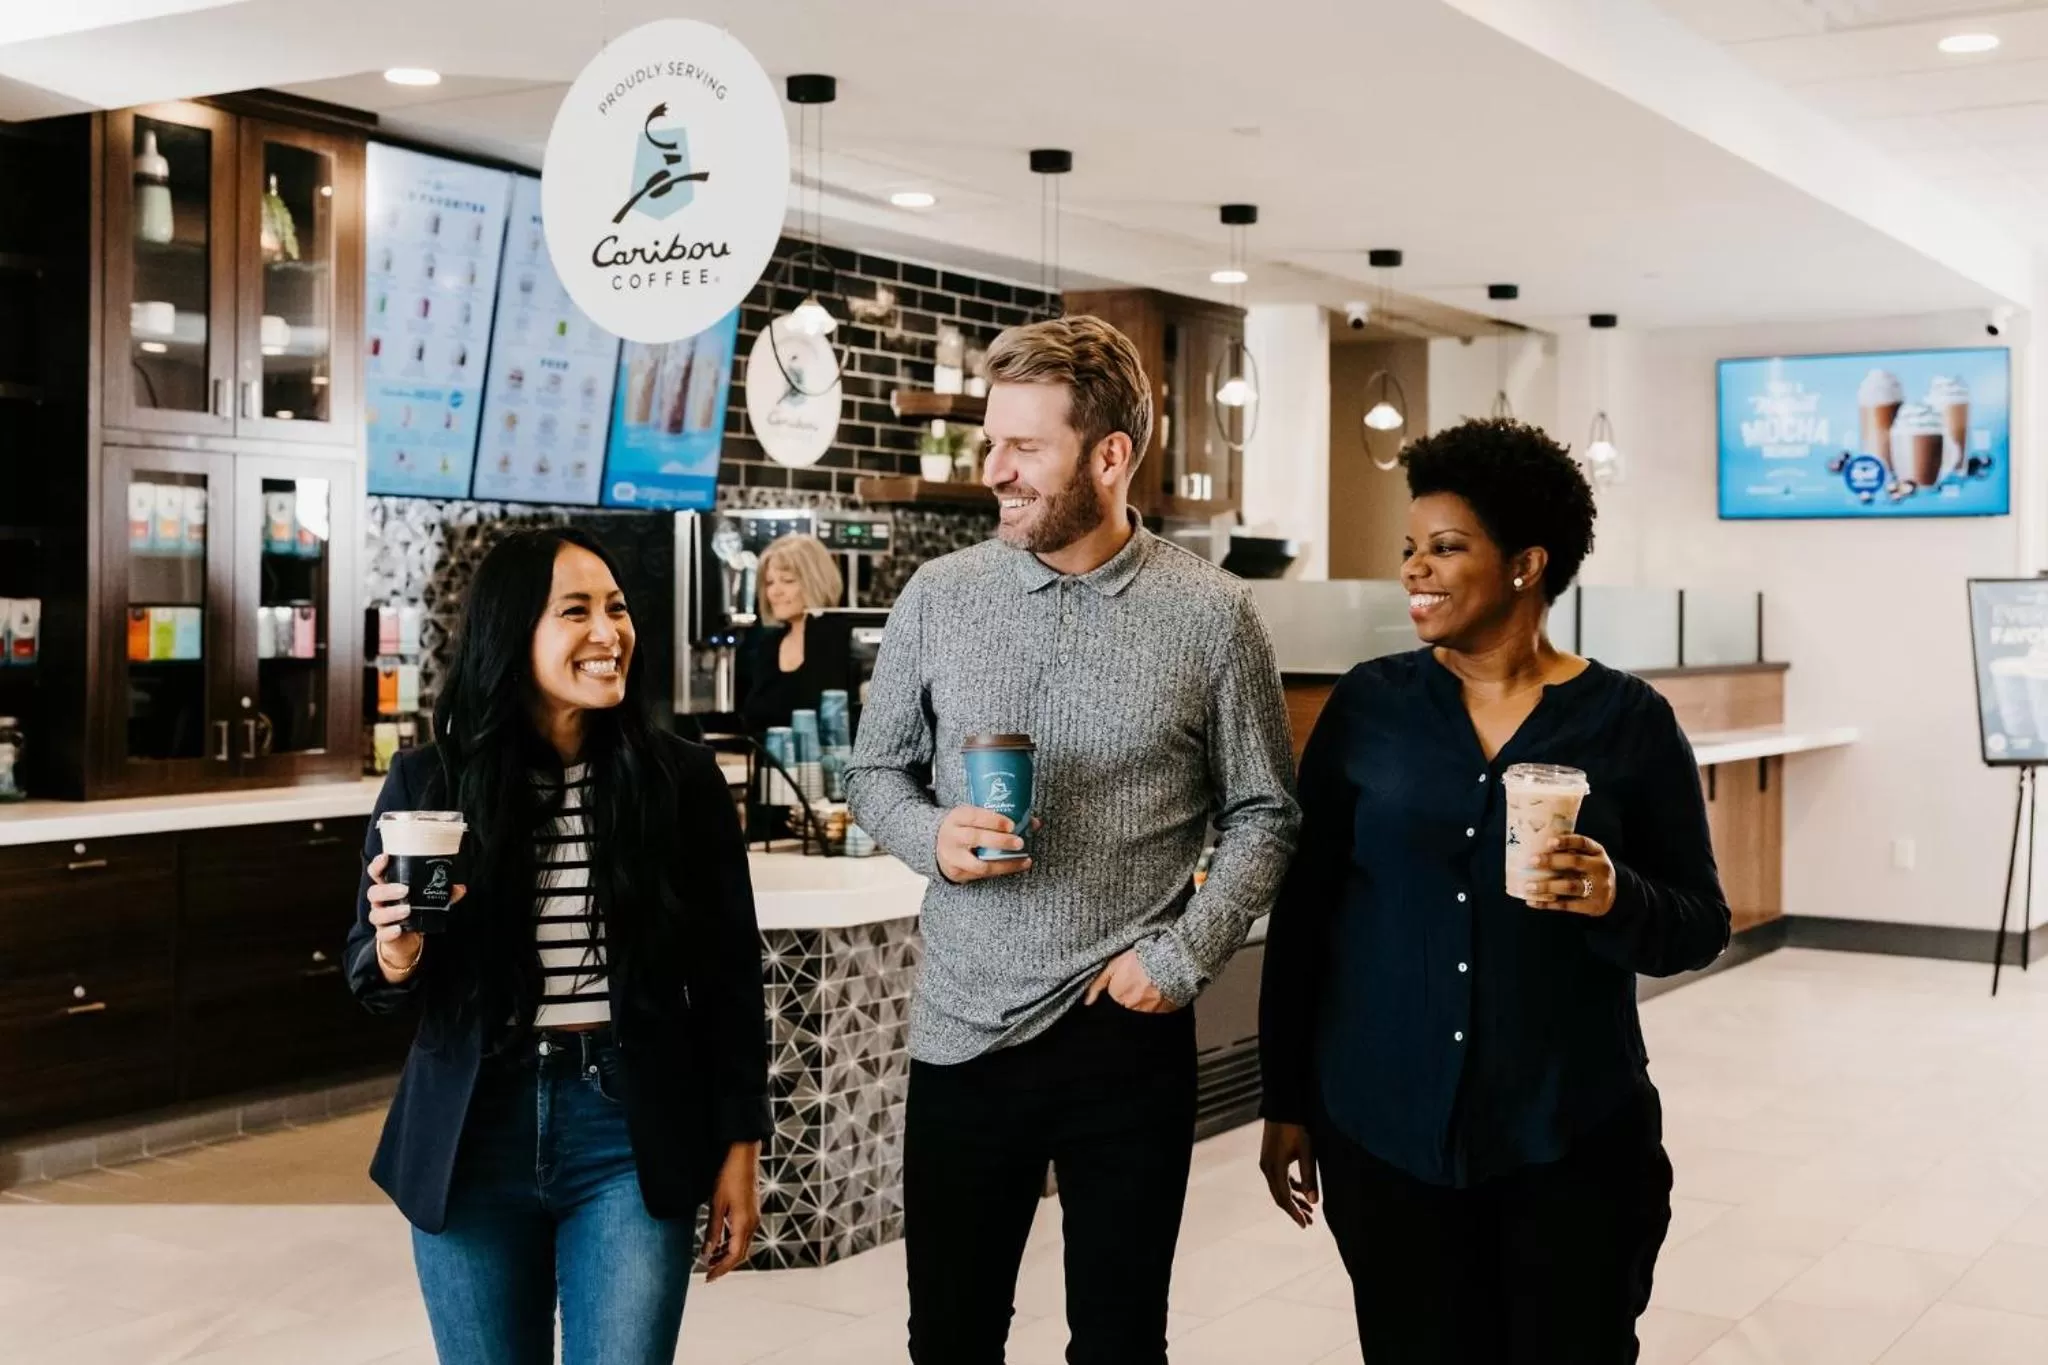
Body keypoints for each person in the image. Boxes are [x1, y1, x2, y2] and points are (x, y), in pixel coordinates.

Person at [847, 315, 1300, 1365]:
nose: (992, 470)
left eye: (1024, 448)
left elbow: (1265, 812)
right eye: (988, 441)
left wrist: (1181, 957)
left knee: (1118, 1339)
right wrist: (929, 834)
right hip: (962, 1029)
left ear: (1108, 456)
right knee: (950, 1340)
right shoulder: (939, 596)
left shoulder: (1212, 615)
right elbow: (873, 771)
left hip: (1122, 1032)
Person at [1256, 418, 1731, 1363]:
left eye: (1445, 547)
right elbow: (1305, 914)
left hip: (1569, 1138)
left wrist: (1616, 894)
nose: (1415, 570)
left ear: (1526, 564)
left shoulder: (1629, 723)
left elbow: (1700, 923)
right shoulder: (1369, 707)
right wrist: (1286, 1099)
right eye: (1409, 548)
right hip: (1385, 1134)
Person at [346, 527, 769, 1365]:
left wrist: (741, 1149)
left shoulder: (680, 784)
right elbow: (369, 972)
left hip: (627, 1130)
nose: (609, 632)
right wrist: (397, 950)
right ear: (513, 632)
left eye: (616, 608)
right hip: (473, 1129)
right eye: (575, 611)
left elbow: (729, 981)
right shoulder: (430, 784)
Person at [738, 531, 850, 735]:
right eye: (770, 582)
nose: (775, 592)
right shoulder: (768, 646)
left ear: (816, 582)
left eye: (787, 580)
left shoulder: (841, 641)